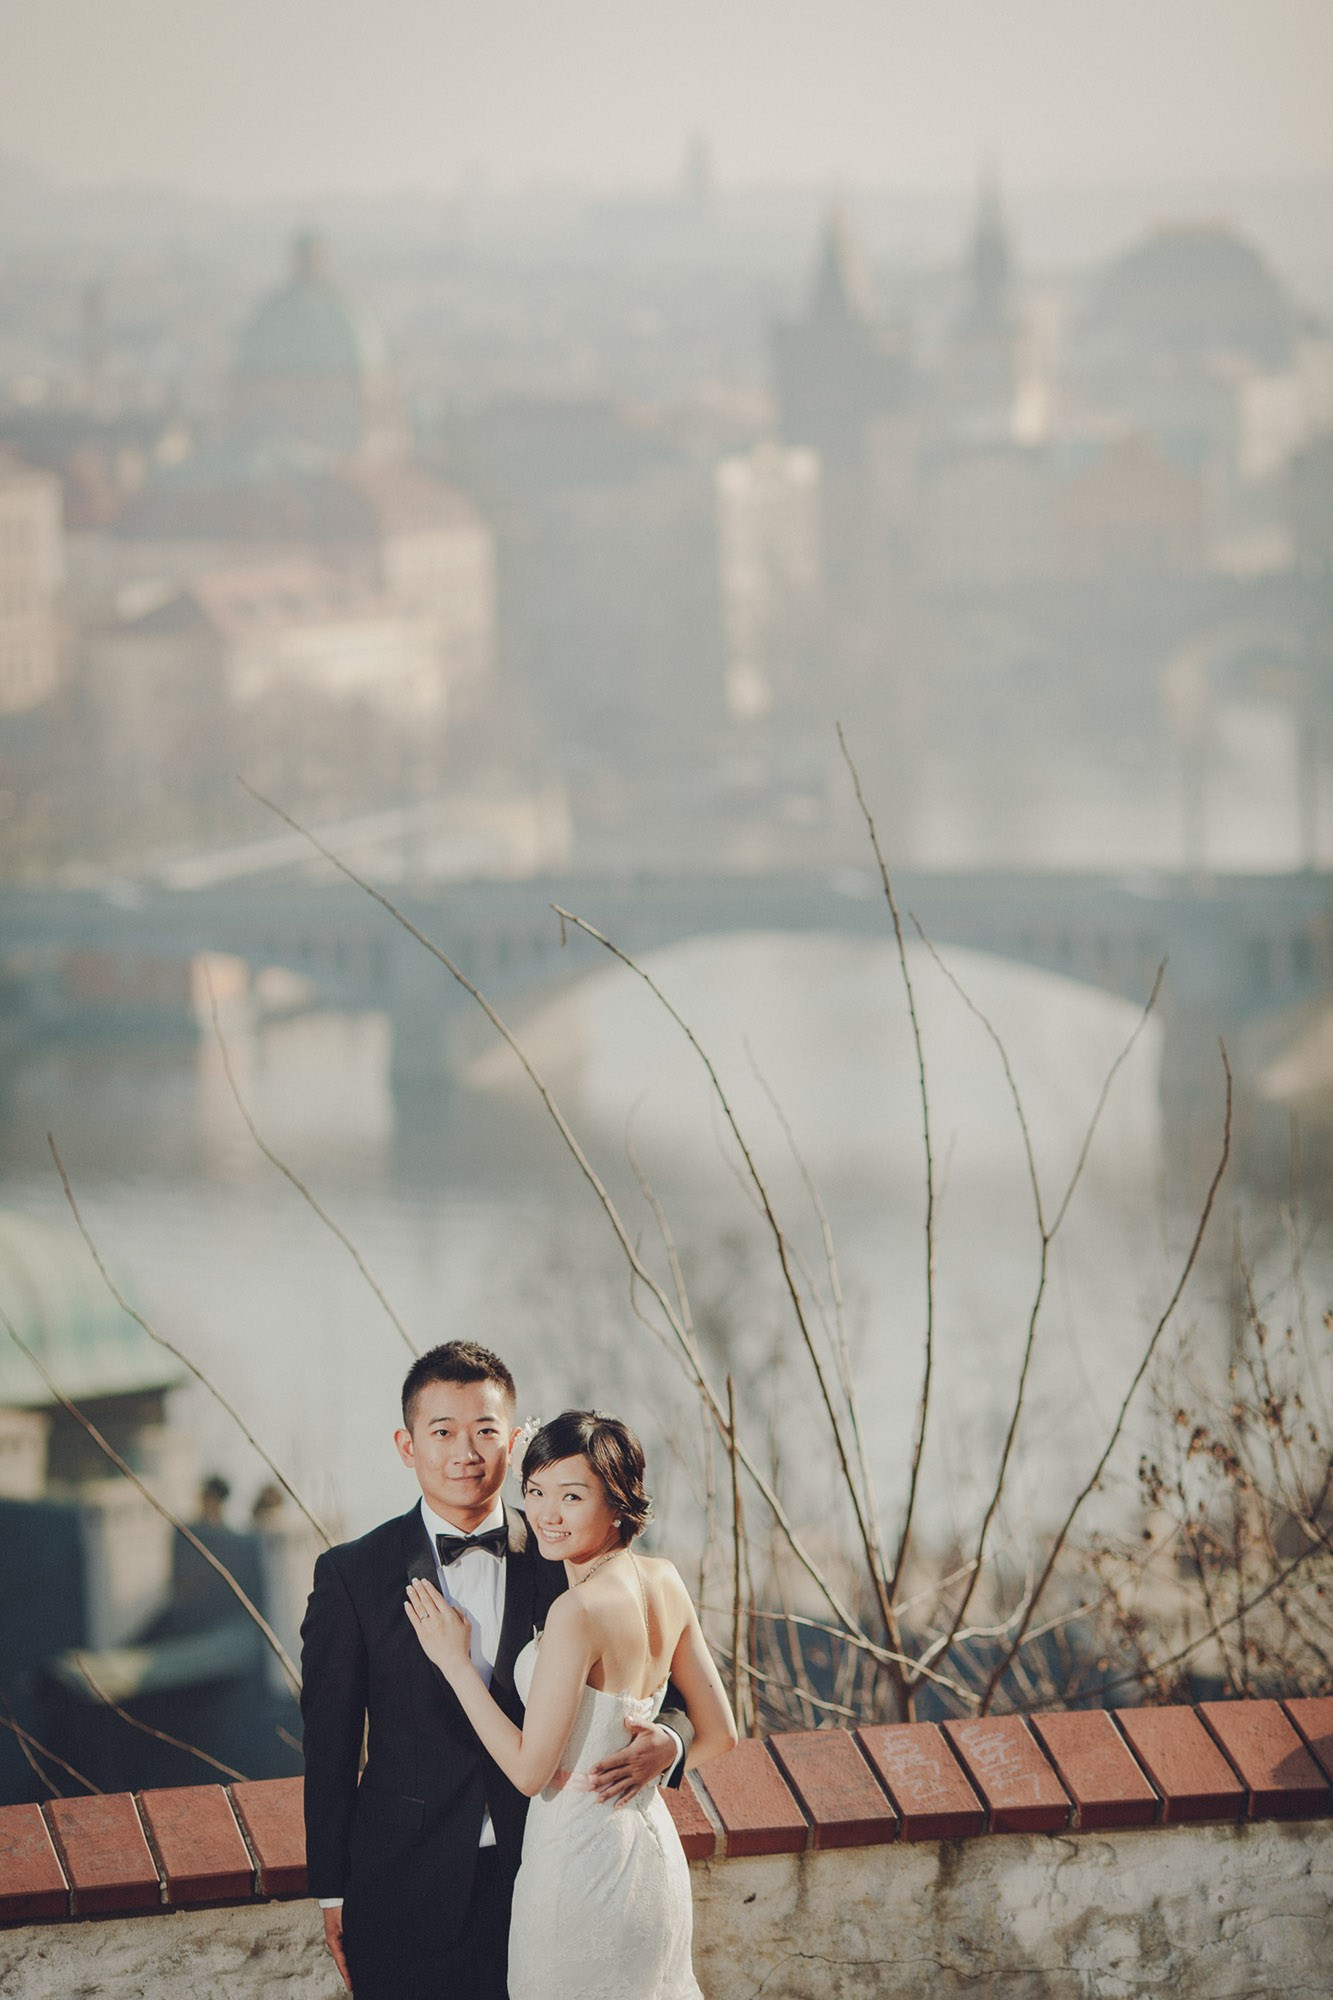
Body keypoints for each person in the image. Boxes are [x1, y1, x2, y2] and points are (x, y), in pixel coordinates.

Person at [300, 1343, 694, 2000]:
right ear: (407, 1445)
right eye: (443, 1431)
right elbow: (330, 1741)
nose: (466, 1452)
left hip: (547, 1873)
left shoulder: (565, 1548)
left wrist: (669, 1742)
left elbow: (667, 1686)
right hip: (404, 1887)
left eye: (485, 1431)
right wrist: (331, 1890)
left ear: (513, 1442)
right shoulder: (352, 1575)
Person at [404, 1408, 738, 2000]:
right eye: (534, 1492)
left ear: (617, 1502)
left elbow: (531, 1773)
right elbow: (719, 1733)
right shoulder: (664, 1579)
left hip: (577, 1864)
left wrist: (456, 1665)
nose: (545, 1515)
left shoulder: (576, 1613)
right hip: (650, 1858)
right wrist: (670, 1745)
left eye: (572, 1496)